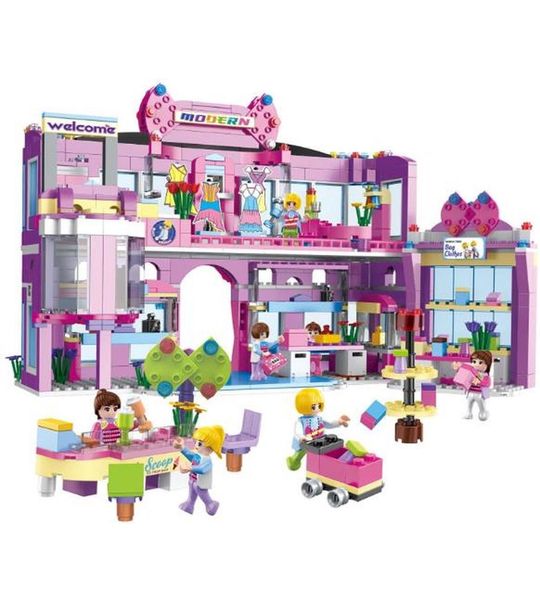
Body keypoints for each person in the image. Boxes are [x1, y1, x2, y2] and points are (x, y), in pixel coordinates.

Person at [286, 388, 350, 470]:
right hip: (306, 442)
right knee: (299, 454)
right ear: (303, 406)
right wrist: (302, 437)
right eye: (314, 406)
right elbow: (297, 432)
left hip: (320, 441)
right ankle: (293, 461)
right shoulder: (300, 421)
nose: (317, 408)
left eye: (319, 405)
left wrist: (339, 422)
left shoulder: (319, 419)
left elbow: (329, 424)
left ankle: (322, 465)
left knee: (322, 452)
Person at [174, 425, 225, 516]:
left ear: (210, 448)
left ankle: (211, 504)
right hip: (193, 480)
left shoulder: (207, 460)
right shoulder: (198, 456)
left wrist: (190, 468)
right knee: (191, 494)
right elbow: (190, 455)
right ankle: (189, 505)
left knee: (203, 494)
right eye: (196, 442)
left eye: (200, 443)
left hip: (201, 483)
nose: (196, 445)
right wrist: (182, 447)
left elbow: (202, 469)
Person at [453, 350, 492, 421]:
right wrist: (458, 369)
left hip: (479, 394)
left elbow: (487, 383)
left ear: (487, 365)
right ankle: (469, 413)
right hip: (470, 392)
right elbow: (464, 376)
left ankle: (483, 413)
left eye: (480, 362)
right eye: (474, 362)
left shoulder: (484, 375)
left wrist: (479, 382)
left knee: (481, 405)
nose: (476, 364)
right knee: (469, 403)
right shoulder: (472, 372)